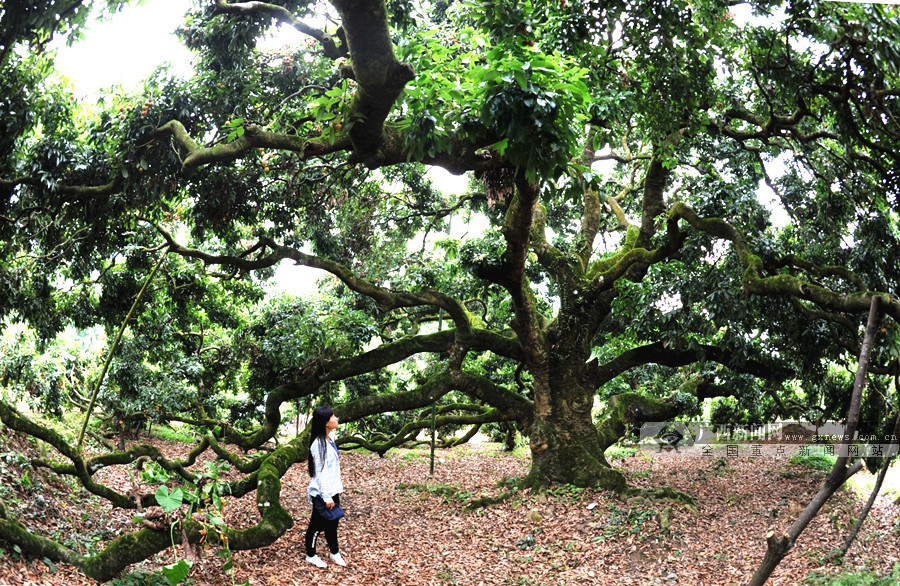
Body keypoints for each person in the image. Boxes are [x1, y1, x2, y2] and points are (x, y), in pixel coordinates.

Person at [305, 406, 346, 569]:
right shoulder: (318, 444)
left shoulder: (329, 439)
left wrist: (335, 490)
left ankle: (334, 552)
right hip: (322, 493)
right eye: (333, 416)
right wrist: (326, 496)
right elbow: (320, 472)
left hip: (332, 490)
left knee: (333, 523)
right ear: (325, 422)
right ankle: (311, 555)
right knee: (316, 526)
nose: (336, 418)